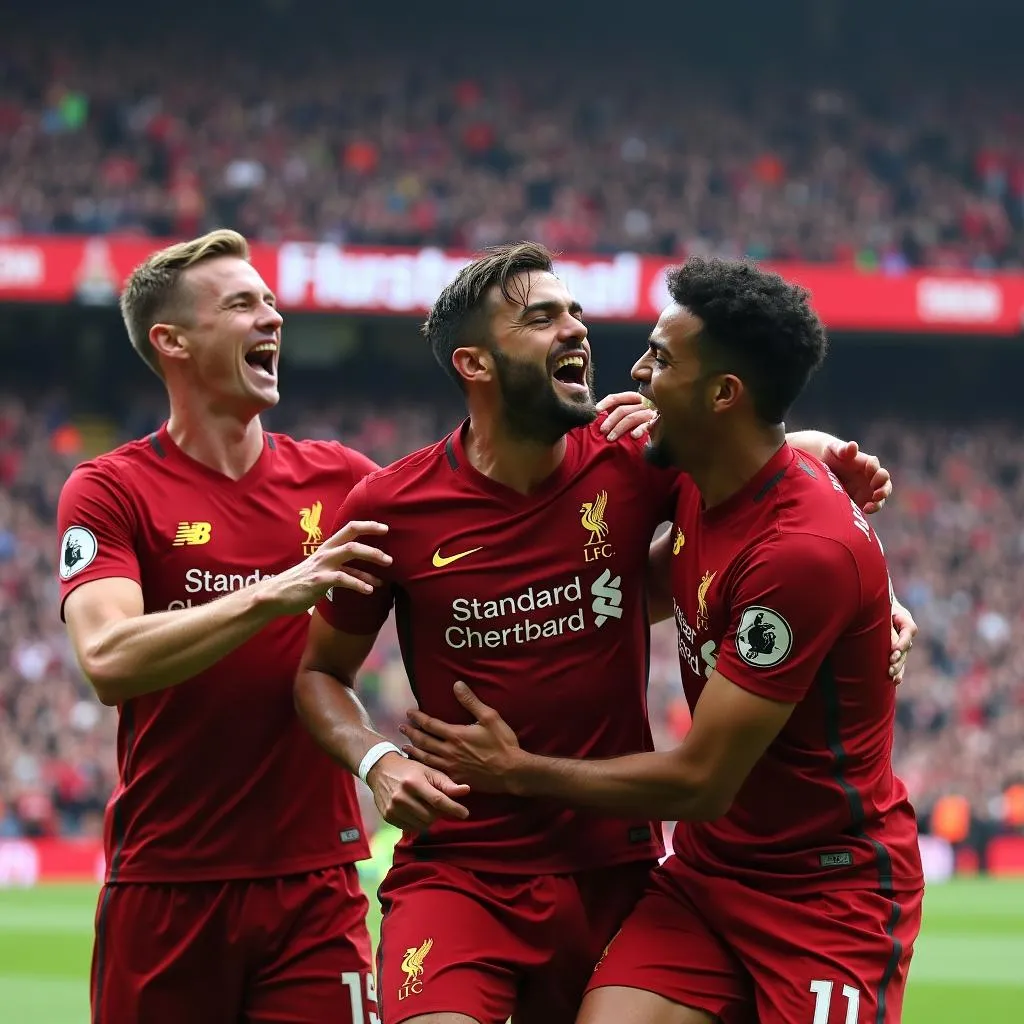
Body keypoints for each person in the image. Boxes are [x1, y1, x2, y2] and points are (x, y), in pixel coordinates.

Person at [293, 241, 914, 1024]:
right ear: (475, 364)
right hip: (465, 862)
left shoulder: (637, 464)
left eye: (576, 311)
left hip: (621, 865)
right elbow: (319, 674)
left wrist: (841, 524)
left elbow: (752, 465)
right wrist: (377, 762)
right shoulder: (388, 506)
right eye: (543, 316)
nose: (579, 330)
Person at [56, 229, 413, 1024]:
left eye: (272, 301)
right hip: (166, 883)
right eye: (242, 303)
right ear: (172, 341)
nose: (272, 317)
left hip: (314, 882)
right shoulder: (109, 490)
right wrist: (272, 593)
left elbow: (477, 564)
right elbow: (108, 658)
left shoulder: (344, 479)